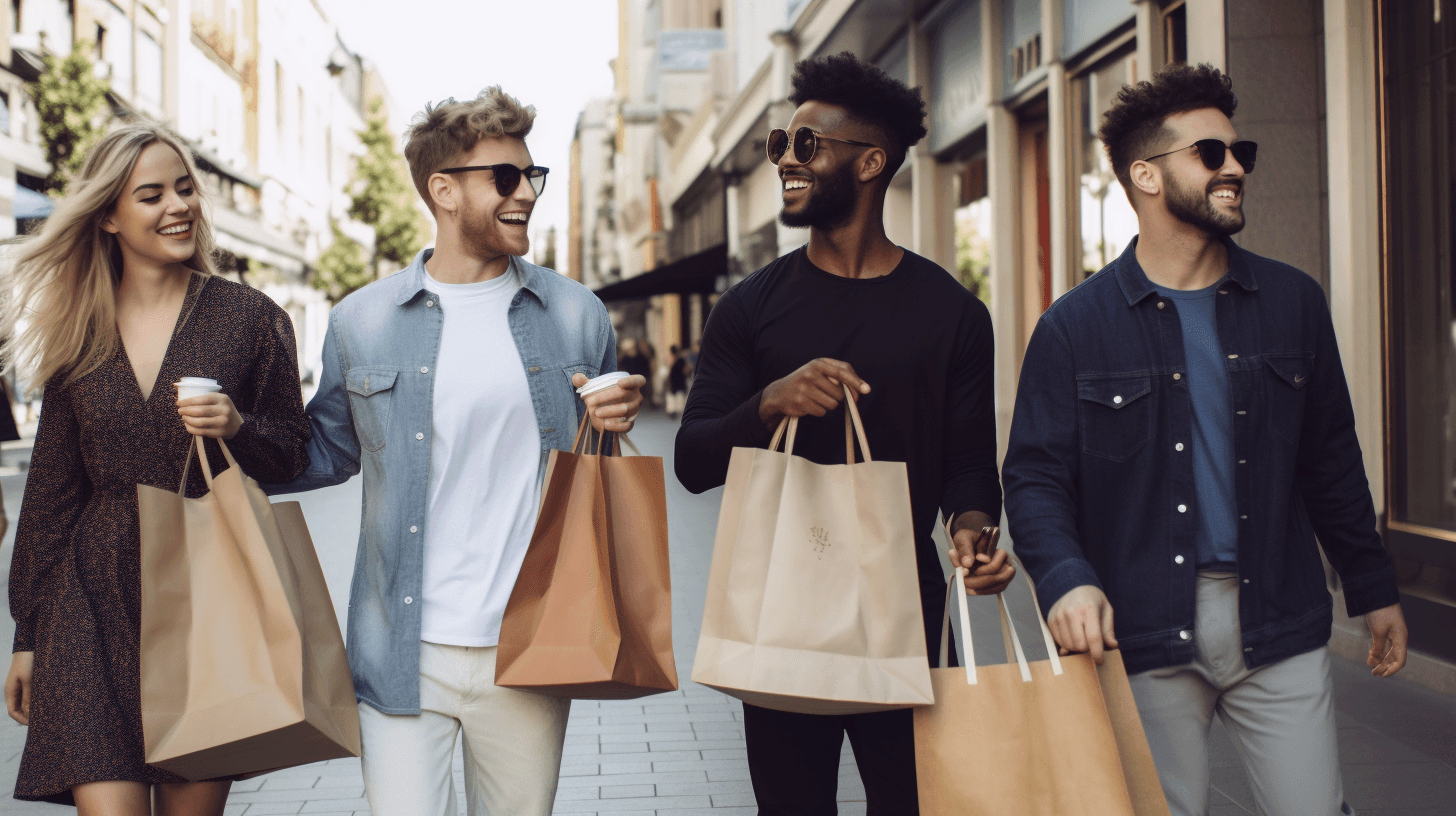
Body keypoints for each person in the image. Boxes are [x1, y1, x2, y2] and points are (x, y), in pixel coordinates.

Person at [1002, 64, 1408, 816]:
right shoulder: (1073, 328)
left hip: (1276, 615)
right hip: (1141, 626)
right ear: (1146, 177)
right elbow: (1035, 479)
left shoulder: (1292, 301)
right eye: (1211, 154)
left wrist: (1373, 586)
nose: (1236, 169)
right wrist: (1065, 577)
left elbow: (1331, 458)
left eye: (1240, 151)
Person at [262, 87, 644, 816]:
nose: (525, 194)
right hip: (401, 646)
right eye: (505, 177)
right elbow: (322, 454)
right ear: (442, 190)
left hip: (528, 644)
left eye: (531, 176)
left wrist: (616, 428)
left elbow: (595, 483)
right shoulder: (363, 321)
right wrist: (231, 431)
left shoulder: (574, 313)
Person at [675, 52, 1012, 815]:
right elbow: (692, 462)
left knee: (917, 803)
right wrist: (768, 403)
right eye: (779, 146)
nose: (785, 162)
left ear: (870, 161)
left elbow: (968, 469)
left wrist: (974, 534)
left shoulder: (953, 313)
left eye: (806, 146)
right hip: (782, 604)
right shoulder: (749, 309)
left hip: (908, 609)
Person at [1, 122, 311, 812]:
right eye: (151, 195)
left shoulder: (249, 318)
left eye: (184, 189)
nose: (178, 206)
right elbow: (52, 495)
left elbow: (293, 447)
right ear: (108, 215)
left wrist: (239, 428)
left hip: (209, 590)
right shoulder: (77, 329)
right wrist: (28, 636)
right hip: (90, 597)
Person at [666, 344, 690, 418]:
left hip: (675, 379)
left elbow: (669, 369)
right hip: (680, 379)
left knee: (673, 395)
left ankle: (673, 410)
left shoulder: (674, 359)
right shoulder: (681, 359)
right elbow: (685, 370)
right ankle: (676, 410)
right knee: (679, 395)